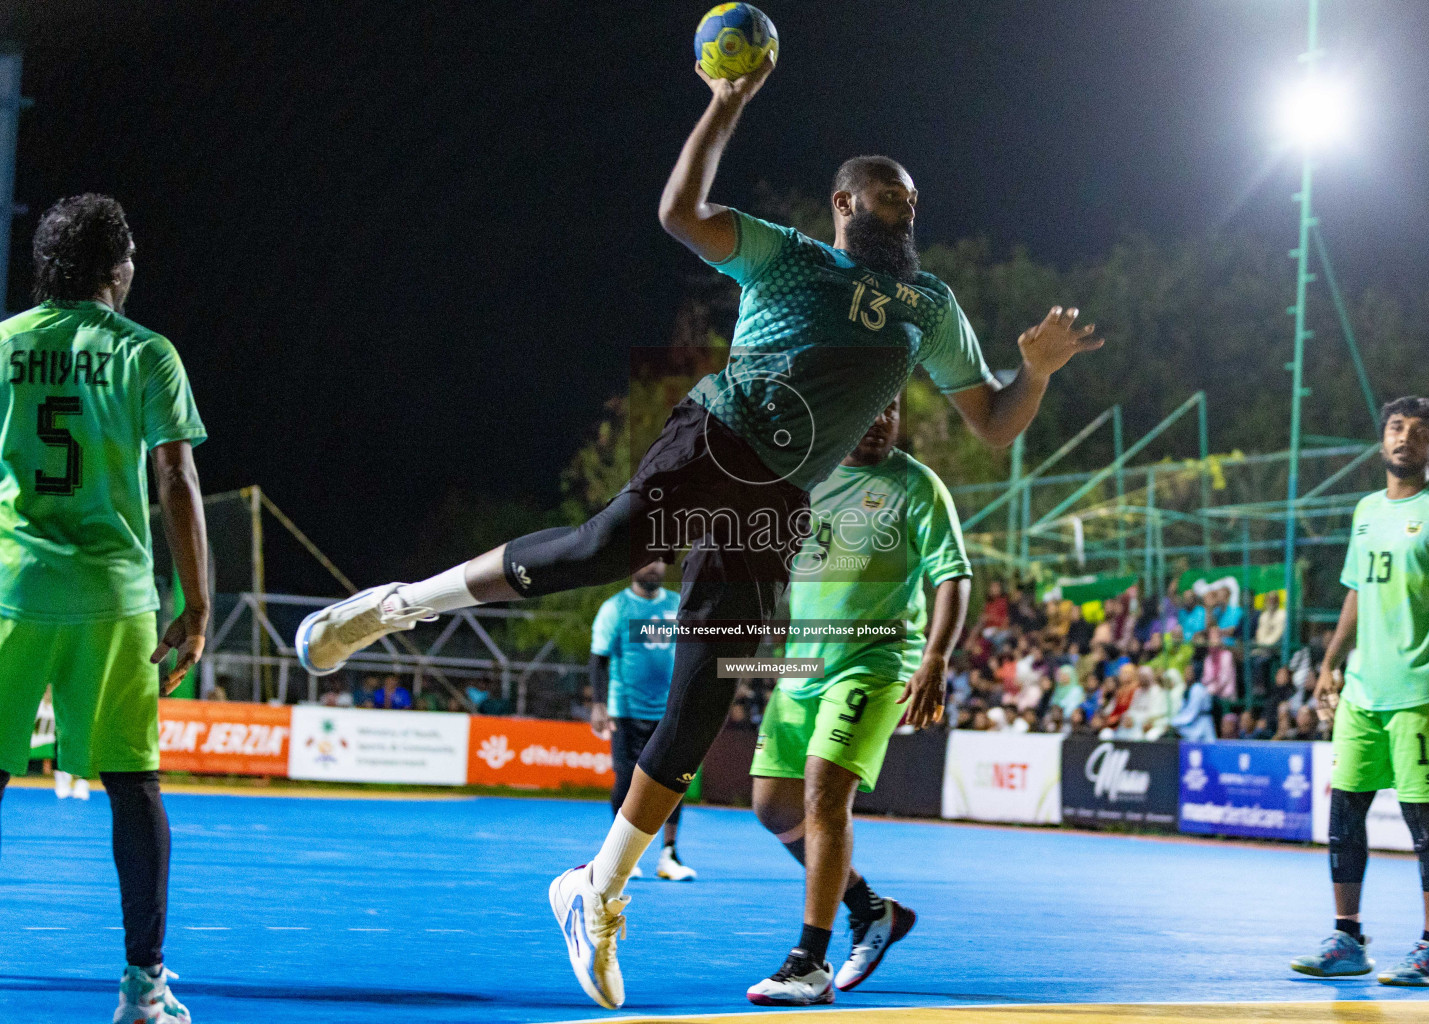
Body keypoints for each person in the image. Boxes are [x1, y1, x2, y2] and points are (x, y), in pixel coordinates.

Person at [291, 56, 1102, 1011]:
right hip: (721, 433)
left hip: (777, 500)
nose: (902, 212)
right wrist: (723, 107)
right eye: (887, 197)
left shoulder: (930, 310)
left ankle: (597, 888)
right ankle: (390, 609)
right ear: (846, 203)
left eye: (911, 203)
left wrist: (1037, 372)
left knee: (703, 703)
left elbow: (995, 424)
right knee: (600, 551)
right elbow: (680, 209)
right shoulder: (790, 254)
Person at [0, 195, 209, 1023]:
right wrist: (196, 605)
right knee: (133, 787)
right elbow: (177, 482)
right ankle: (142, 989)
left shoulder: (5, 344)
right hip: (115, 597)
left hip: (13, 591)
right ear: (117, 268)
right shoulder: (147, 354)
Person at [747, 400, 969, 1004]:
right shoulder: (807, 477)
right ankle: (872, 910)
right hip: (803, 666)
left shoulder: (918, 485)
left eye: (889, 409)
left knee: (823, 792)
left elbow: (952, 575)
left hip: (876, 662)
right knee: (772, 806)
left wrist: (938, 657)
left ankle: (808, 965)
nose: (878, 420)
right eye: (867, 408)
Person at [1291, 396, 1429, 987]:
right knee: (1345, 811)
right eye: (1395, 427)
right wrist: (1331, 662)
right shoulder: (1365, 511)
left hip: (1424, 692)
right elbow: (1357, 591)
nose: (1404, 436)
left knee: (1422, 818)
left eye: (1419, 430)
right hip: (1364, 691)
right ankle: (1347, 937)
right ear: (1382, 441)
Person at [588, 559, 695, 882]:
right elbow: (598, 659)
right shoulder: (615, 608)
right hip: (626, 710)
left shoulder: (677, 605)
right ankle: (620, 856)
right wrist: (598, 704)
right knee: (625, 779)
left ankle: (669, 855)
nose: (653, 566)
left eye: (661, 560)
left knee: (674, 780)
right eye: (646, 559)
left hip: (669, 710)